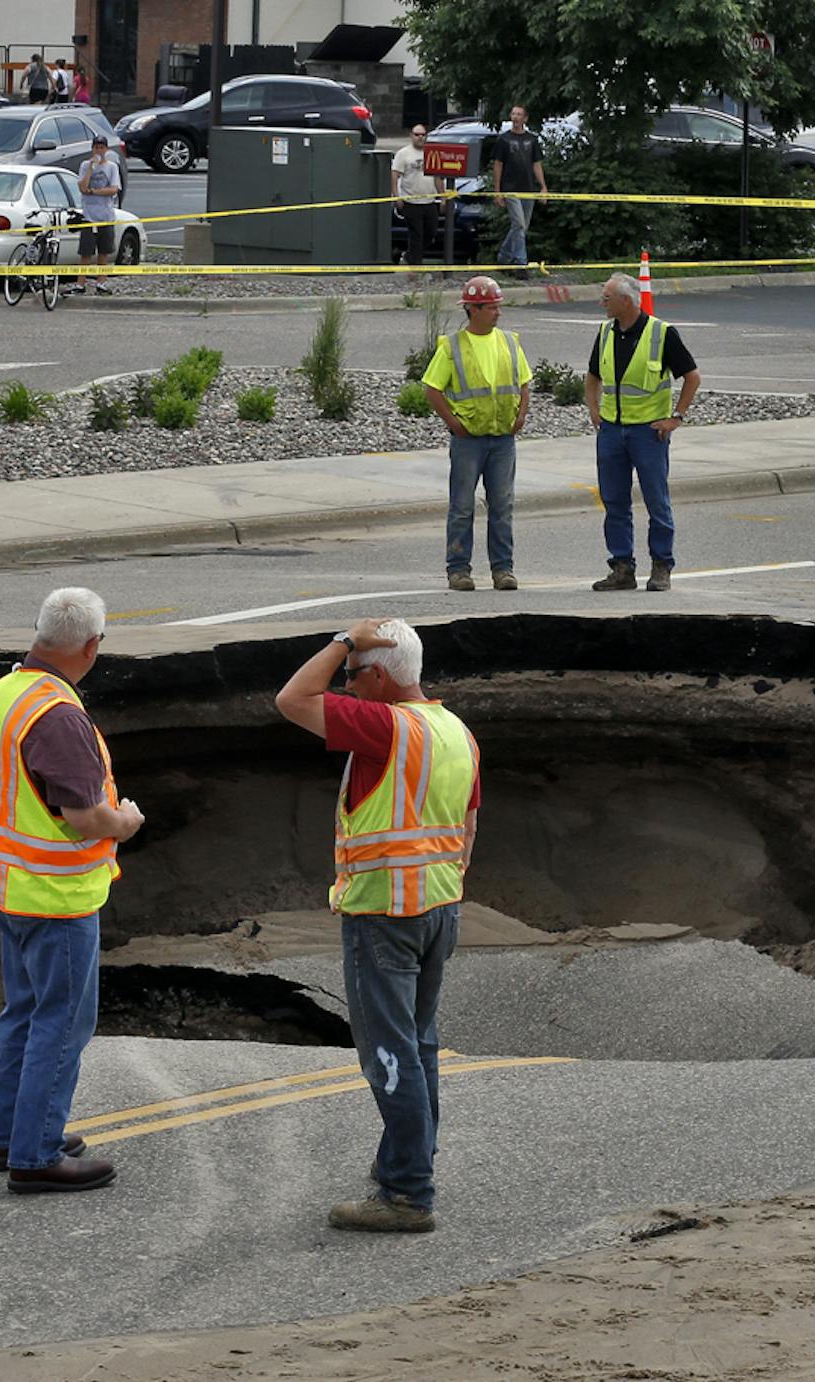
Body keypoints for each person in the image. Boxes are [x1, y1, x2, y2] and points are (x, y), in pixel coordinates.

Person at [274, 616, 482, 1234]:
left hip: (384, 913)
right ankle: (408, 1156)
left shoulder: (387, 725)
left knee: (389, 1052)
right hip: (438, 909)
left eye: (356, 674)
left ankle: (407, 1193)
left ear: (384, 676)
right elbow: (468, 828)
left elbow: (292, 699)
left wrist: (342, 639)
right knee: (418, 1045)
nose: (349, 684)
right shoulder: (457, 732)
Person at [0, 587, 145, 1194]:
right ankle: (37, 1153)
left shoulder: (8, 690)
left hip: (7, 886)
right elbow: (86, 817)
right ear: (93, 646)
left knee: (24, 1012)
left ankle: (12, 1136)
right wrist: (125, 820)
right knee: (62, 1022)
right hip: (55, 897)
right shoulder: (61, 716)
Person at [583, 272, 702, 593]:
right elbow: (592, 376)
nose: (601, 303)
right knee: (614, 501)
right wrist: (594, 409)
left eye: (606, 298)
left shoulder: (661, 334)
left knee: (656, 501)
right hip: (611, 432)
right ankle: (622, 568)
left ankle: (661, 566)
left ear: (626, 301)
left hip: (649, 434)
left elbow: (692, 377)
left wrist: (675, 418)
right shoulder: (606, 333)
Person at [420, 275, 531, 592]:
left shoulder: (508, 342)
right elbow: (432, 389)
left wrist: (521, 414)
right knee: (462, 507)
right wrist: (453, 423)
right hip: (468, 441)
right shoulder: (453, 347)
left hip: (502, 440)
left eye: (498, 306)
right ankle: (458, 570)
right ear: (474, 309)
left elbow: (523, 382)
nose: (498, 312)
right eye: (492, 307)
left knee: (502, 505)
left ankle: (503, 570)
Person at [488, 106, 546, 270]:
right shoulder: (504, 140)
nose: (515, 117)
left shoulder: (532, 140)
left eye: (519, 114)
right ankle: (521, 263)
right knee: (519, 224)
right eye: (513, 114)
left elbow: (537, 164)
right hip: (510, 188)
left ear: (525, 118)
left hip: (528, 188)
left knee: (521, 227)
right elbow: (498, 165)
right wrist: (497, 191)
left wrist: (543, 187)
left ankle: (504, 257)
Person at [72, 135, 122, 295]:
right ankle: (81, 283)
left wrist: (94, 191)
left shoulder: (112, 167)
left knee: (104, 251)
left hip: (105, 216)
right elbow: (82, 187)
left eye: (102, 148)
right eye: (96, 147)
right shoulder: (85, 165)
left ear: (106, 149)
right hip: (89, 216)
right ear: (92, 149)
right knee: (85, 252)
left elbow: (113, 189)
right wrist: (91, 169)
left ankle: (101, 282)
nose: (99, 150)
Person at [391, 124, 439, 273]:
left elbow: (437, 177)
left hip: (430, 201)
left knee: (430, 233)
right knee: (416, 234)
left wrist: (443, 197)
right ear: (411, 135)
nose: (420, 137)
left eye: (423, 135)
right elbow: (394, 175)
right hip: (411, 201)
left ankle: (409, 256)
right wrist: (396, 196)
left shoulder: (432, 153)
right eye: (417, 134)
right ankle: (415, 267)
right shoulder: (403, 154)